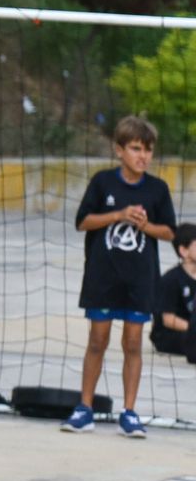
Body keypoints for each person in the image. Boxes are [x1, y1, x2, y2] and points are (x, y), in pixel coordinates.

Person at [62, 115, 175, 436]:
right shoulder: (102, 183)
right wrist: (118, 215)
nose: (143, 156)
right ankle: (84, 409)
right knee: (97, 341)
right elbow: (83, 222)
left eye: (148, 150)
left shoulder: (157, 189)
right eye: (136, 148)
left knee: (133, 343)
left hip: (139, 281)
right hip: (103, 278)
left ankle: (129, 411)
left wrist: (144, 225)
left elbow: (168, 231)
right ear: (119, 150)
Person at [149, 221, 196, 362]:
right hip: (169, 334)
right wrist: (193, 329)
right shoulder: (171, 279)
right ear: (183, 251)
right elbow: (168, 320)